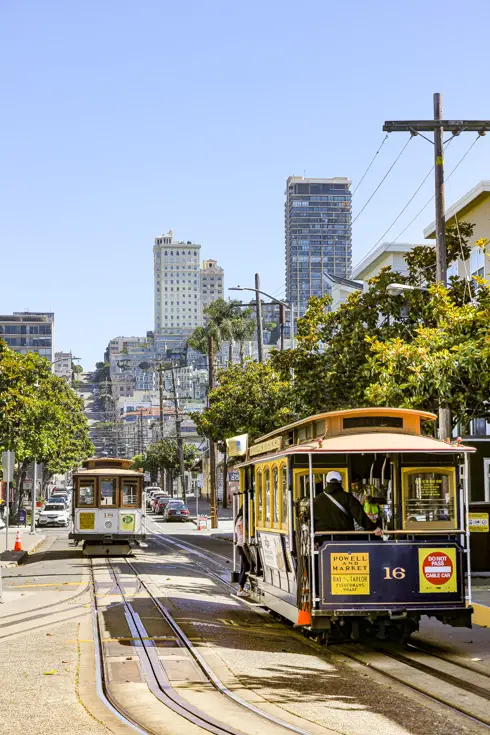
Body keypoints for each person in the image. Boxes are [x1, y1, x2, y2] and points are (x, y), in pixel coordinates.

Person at [314, 471, 382, 536]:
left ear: (327, 483)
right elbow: (360, 516)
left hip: (323, 542)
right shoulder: (348, 498)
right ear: (340, 482)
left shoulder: (317, 500)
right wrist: (374, 528)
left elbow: (311, 520)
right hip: (345, 540)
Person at [234, 507, 250, 596]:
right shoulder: (241, 519)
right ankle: (240, 589)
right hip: (242, 545)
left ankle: (241, 588)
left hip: (241, 545)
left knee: (244, 567)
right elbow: (244, 531)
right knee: (246, 567)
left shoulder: (239, 518)